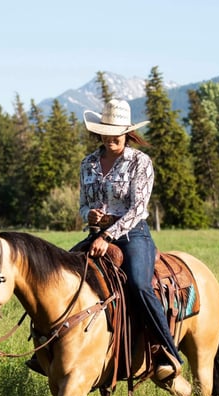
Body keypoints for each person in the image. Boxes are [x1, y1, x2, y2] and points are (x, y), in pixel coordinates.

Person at [74, 99, 182, 381]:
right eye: (107, 131)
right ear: (99, 132)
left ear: (127, 133)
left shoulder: (140, 162)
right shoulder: (88, 164)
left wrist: (108, 234)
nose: (112, 137)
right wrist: (90, 216)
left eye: (117, 131)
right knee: (62, 271)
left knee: (138, 283)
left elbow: (138, 209)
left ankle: (167, 351)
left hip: (132, 234)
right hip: (97, 233)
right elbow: (83, 204)